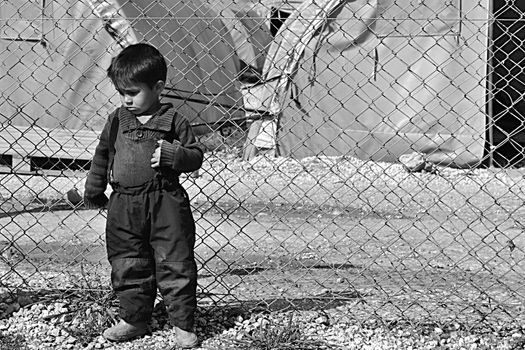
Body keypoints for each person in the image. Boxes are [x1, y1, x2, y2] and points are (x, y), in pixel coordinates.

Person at [83, 43, 203, 348]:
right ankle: (135, 319)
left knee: (175, 261)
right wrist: (94, 189)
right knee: (127, 262)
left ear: (158, 87)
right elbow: (102, 156)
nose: (126, 98)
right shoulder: (116, 120)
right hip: (124, 206)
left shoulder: (174, 120)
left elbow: (196, 156)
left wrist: (174, 155)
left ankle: (183, 324)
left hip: (166, 203)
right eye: (121, 91)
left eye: (133, 92)